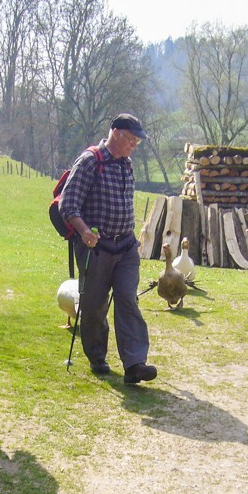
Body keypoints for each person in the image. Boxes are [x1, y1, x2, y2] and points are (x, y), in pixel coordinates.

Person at [60, 113, 157, 384]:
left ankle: (135, 364)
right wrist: (84, 231)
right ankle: (97, 356)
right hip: (96, 248)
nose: (133, 146)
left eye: (137, 143)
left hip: (125, 246)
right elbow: (67, 204)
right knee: (94, 305)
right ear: (116, 133)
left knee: (128, 298)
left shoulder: (127, 164)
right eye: (131, 140)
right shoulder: (91, 161)